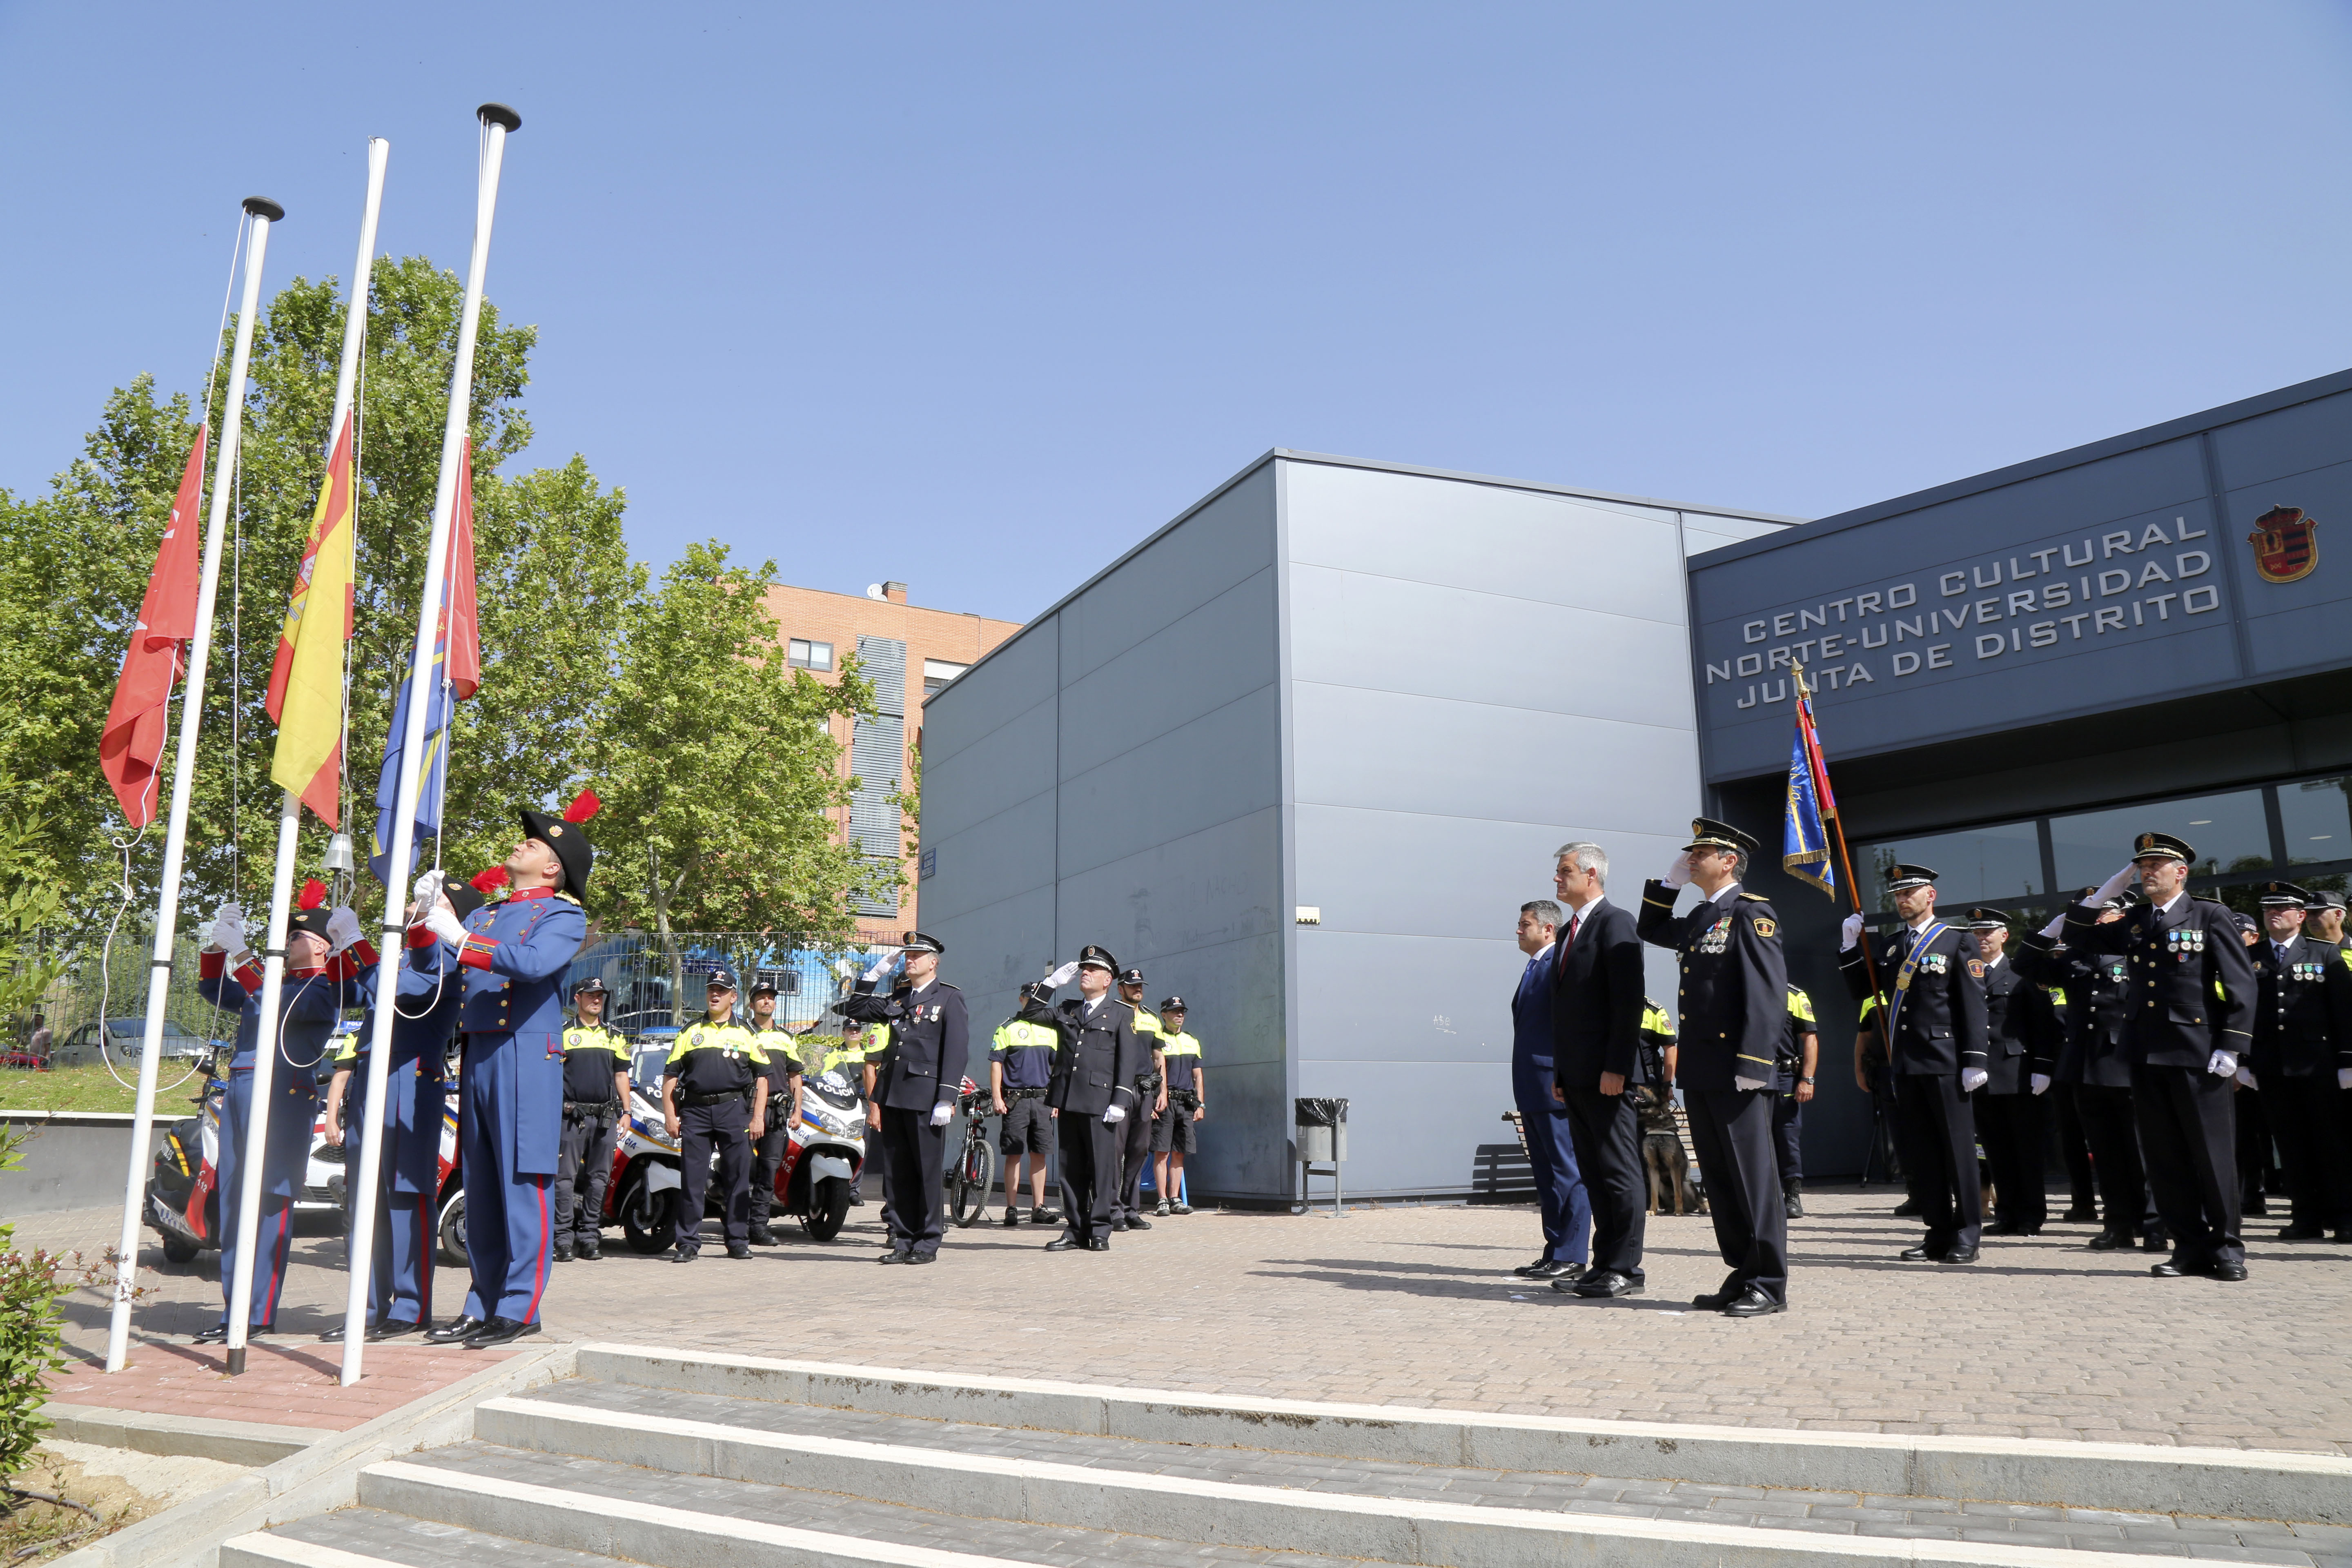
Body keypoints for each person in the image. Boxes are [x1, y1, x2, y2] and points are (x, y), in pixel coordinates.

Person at [419, 793, 594, 1349]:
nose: (520, 844)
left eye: (534, 844)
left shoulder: (563, 915)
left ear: (553, 869)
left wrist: (459, 936)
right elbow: (435, 975)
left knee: (523, 1182)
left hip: (525, 1054)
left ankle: (520, 1307)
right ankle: (482, 1304)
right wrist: (422, 922)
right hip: (479, 1053)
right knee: (481, 1185)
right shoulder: (486, 915)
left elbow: (533, 964)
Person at [2061, 832, 2258, 1282]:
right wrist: (2105, 893)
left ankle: (2226, 1249)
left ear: (2181, 872)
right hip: (2144, 1052)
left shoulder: (2209, 914)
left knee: (2212, 1155)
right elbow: (2077, 935)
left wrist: (2232, 1045)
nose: (2147, 872)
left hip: (2197, 1052)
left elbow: (2241, 983)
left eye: (2156, 866)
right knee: (2165, 1157)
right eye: (2142, 866)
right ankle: (2187, 1246)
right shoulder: (2135, 918)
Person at [192, 886, 371, 1343]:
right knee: (235, 1198)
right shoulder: (274, 981)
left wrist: (244, 954)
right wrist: (217, 946)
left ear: (322, 947)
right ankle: (235, 1308)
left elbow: (279, 1002)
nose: (287, 942)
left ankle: (258, 1311)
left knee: (269, 1199)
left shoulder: (325, 988)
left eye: (295, 937)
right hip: (242, 1089)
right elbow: (213, 989)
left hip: (282, 1094)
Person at [319, 875, 483, 1341]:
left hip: (409, 1080)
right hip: (372, 1078)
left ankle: (411, 1306)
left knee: (407, 1197)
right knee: (364, 1198)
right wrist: (338, 948)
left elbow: (391, 987)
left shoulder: (446, 959)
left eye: (433, 902)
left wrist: (357, 944)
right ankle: (368, 1306)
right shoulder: (402, 957)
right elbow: (347, 993)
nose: (415, 904)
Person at [1637, 819, 1788, 1317]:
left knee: (1753, 1179)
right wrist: (1669, 885)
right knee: (1721, 1180)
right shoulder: (1704, 916)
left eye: (1701, 853)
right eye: (1691, 853)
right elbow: (1650, 929)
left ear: (1729, 861)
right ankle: (1743, 1272)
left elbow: (1767, 993)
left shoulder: (1751, 913)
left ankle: (1769, 1282)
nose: (1692, 859)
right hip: (1702, 1070)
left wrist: (1755, 1062)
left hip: (1739, 1070)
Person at [1840, 863, 1989, 1264]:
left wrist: (1974, 1058)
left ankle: (1968, 1233)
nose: (1903, 900)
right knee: (1923, 1154)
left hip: (1945, 1061)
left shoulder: (1957, 940)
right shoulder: (1892, 946)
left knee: (1958, 1152)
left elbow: (1973, 1003)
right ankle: (1937, 1232)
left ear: (1930, 895)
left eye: (1910, 893)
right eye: (1898, 895)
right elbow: (1862, 989)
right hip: (1905, 1062)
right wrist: (1850, 947)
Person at [2018, 894, 2162, 1251]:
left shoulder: (2136, 950)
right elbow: (2024, 964)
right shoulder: (2073, 956)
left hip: (2127, 1063)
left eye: (2104, 913)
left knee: (2142, 1151)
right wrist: (2052, 930)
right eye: (2090, 915)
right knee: (2105, 1151)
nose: (2096, 920)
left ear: (2121, 916)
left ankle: (2154, 1224)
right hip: (2084, 1065)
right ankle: (2118, 1224)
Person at [1545, 842, 1648, 1301]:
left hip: (1608, 1075)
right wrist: (1562, 1073)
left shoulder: (1616, 922)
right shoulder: (1568, 932)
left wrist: (1617, 1067)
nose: (1557, 878)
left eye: (1565, 871)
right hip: (1578, 1076)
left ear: (1591, 875)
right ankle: (1603, 1264)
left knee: (1618, 1171)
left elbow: (1628, 1002)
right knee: (1594, 1172)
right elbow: (1566, 1011)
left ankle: (1626, 1267)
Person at [839, 931, 968, 1264]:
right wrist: (874, 974)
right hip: (894, 1093)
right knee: (897, 1172)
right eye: (908, 955)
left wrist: (947, 1097)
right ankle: (903, 1238)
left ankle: (927, 1240)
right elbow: (856, 1008)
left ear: (933, 962)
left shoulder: (950, 998)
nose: (910, 960)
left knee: (926, 1171)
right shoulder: (899, 997)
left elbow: (956, 1051)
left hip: (926, 1097)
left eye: (917, 956)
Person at [2245, 880, 2352, 1243]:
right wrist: (2244, 1059)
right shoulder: (2251, 956)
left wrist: (2347, 1060)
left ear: (2301, 916)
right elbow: (2241, 1009)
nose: (2273, 914)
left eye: (2281, 909)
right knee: (2290, 1146)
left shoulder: (2324, 953)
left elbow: (2343, 1011)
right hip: (2272, 1066)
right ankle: (2306, 1217)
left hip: (2318, 1065)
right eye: (2268, 909)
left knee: (2331, 1143)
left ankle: (2344, 1216)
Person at [1022, 946, 1147, 1250]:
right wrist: (1050, 984)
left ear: (1108, 980)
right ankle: (1075, 1229)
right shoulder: (1068, 1009)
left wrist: (1120, 1100)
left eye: (1093, 970)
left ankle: (1101, 1229)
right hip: (1068, 1099)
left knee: (1102, 1168)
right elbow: (1030, 1013)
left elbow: (1127, 1061)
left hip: (1101, 1103)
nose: (1085, 973)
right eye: (1084, 969)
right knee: (1071, 1169)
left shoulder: (1121, 1013)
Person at [660, 967, 768, 1263]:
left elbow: (762, 1078)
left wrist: (758, 1117)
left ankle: (737, 1241)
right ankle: (687, 1243)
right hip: (695, 1111)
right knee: (692, 1179)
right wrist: (670, 1115)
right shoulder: (690, 1032)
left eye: (722, 991)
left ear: (733, 997)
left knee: (737, 1177)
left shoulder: (747, 1032)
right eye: (711, 990)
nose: (715, 995)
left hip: (733, 1110)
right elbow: (670, 1076)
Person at [1507, 899, 1588, 1283]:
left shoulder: (1558, 964)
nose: (1518, 930)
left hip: (1553, 1085)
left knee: (1566, 1170)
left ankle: (1572, 1254)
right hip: (1531, 1085)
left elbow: (1570, 1025)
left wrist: (1565, 1075)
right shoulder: (1534, 966)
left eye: (1525, 924)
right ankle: (1555, 1249)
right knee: (1546, 1173)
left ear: (1548, 929)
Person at [1962, 909, 2047, 1237]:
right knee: (1995, 1150)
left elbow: (2041, 1024)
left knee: (2025, 1149)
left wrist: (2043, 1067)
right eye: (1977, 934)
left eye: (1988, 933)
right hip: (1981, 1075)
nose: (1982, 939)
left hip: (2017, 1072)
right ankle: (2006, 1213)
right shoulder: (1967, 973)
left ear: (2004, 936)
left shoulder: (2021, 973)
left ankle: (2031, 1215)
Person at [554, 976, 628, 1262]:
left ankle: (589, 1238)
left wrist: (627, 1111)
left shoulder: (614, 1036)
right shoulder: (563, 1033)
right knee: (565, 1179)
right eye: (590, 995)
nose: (596, 1000)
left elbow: (621, 1075)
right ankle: (562, 1240)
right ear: (578, 999)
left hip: (605, 1118)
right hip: (571, 1118)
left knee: (599, 1180)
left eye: (600, 996)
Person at [991, 981, 1063, 1228]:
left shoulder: (1050, 1031)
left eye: (1036, 999)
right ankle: (1011, 1208)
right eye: (1028, 998)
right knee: (1014, 1154)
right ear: (1021, 999)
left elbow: (1056, 1069)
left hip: (1043, 1100)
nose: (1032, 1002)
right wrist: (997, 1097)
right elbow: (996, 1064)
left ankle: (1038, 1208)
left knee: (1040, 1153)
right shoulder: (1007, 1028)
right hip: (1016, 1100)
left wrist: (1056, 1099)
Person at [744, 976, 803, 1246]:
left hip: (777, 1112)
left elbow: (795, 1076)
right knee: (740, 1169)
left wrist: (797, 1111)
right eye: (761, 998)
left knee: (768, 1172)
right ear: (752, 1004)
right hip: (746, 1110)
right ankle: (736, 1224)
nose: (766, 1001)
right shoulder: (743, 1033)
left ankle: (758, 1227)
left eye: (770, 998)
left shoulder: (786, 1038)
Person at [1112, 967, 1166, 1230]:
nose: (1138, 989)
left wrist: (1163, 1091)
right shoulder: (1111, 1014)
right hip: (1118, 1091)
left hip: (1144, 1092)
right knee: (1114, 1152)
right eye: (1133, 985)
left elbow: (1159, 1057)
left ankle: (1131, 1210)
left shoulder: (1152, 1018)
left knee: (1138, 1151)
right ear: (1120, 988)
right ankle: (1112, 1211)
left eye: (1140, 985)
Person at [1152, 997, 1204, 1216]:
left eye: (1182, 1011)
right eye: (1174, 1011)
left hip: (1186, 1104)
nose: (1179, 1015)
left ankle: (1175, 1199)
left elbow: (1198, 1076)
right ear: (1164, 1015)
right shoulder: (1157, 1039)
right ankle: (1162, 1200)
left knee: (1179, 1152)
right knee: (1162, 1152)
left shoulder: (1192, 1040)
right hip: (1165, 1103)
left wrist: (1201, 1104)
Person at [1773, 986, 1818, 1220]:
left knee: (1787, 1136)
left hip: (1784, 1077)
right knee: (1753, 1139)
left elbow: (1810, 1038)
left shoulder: (1794, 996)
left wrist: (1807, 1079)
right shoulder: (1743, 990)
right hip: (1750, 1078)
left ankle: (1792, 1196)